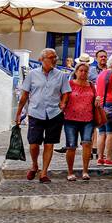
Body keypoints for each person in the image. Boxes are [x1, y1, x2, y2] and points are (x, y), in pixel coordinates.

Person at [16, 48, 71, 182]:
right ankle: (35, 165)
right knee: (34, 144)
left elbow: (66, 92)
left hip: (54, 113)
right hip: (36, 112)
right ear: (42, 59)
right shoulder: (32, 74)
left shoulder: (61, 75)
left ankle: (44, 173)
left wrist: (63, 103)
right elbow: (25, 95)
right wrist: (18, 113)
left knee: (49, 143)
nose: (54, 59)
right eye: (51, 57)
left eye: (55, 57)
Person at [61, 55, 100, 180]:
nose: (83, 73)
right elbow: (63, 99)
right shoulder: (70, 84)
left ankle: (85, 171)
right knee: (71, 146)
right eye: (81, 71)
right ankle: (70, 172)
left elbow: (95, 100)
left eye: (85, 71)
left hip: (88, 119)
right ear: (76, 72)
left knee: (87, 143)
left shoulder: (91, 86)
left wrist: (97, 101)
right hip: (70, 119)